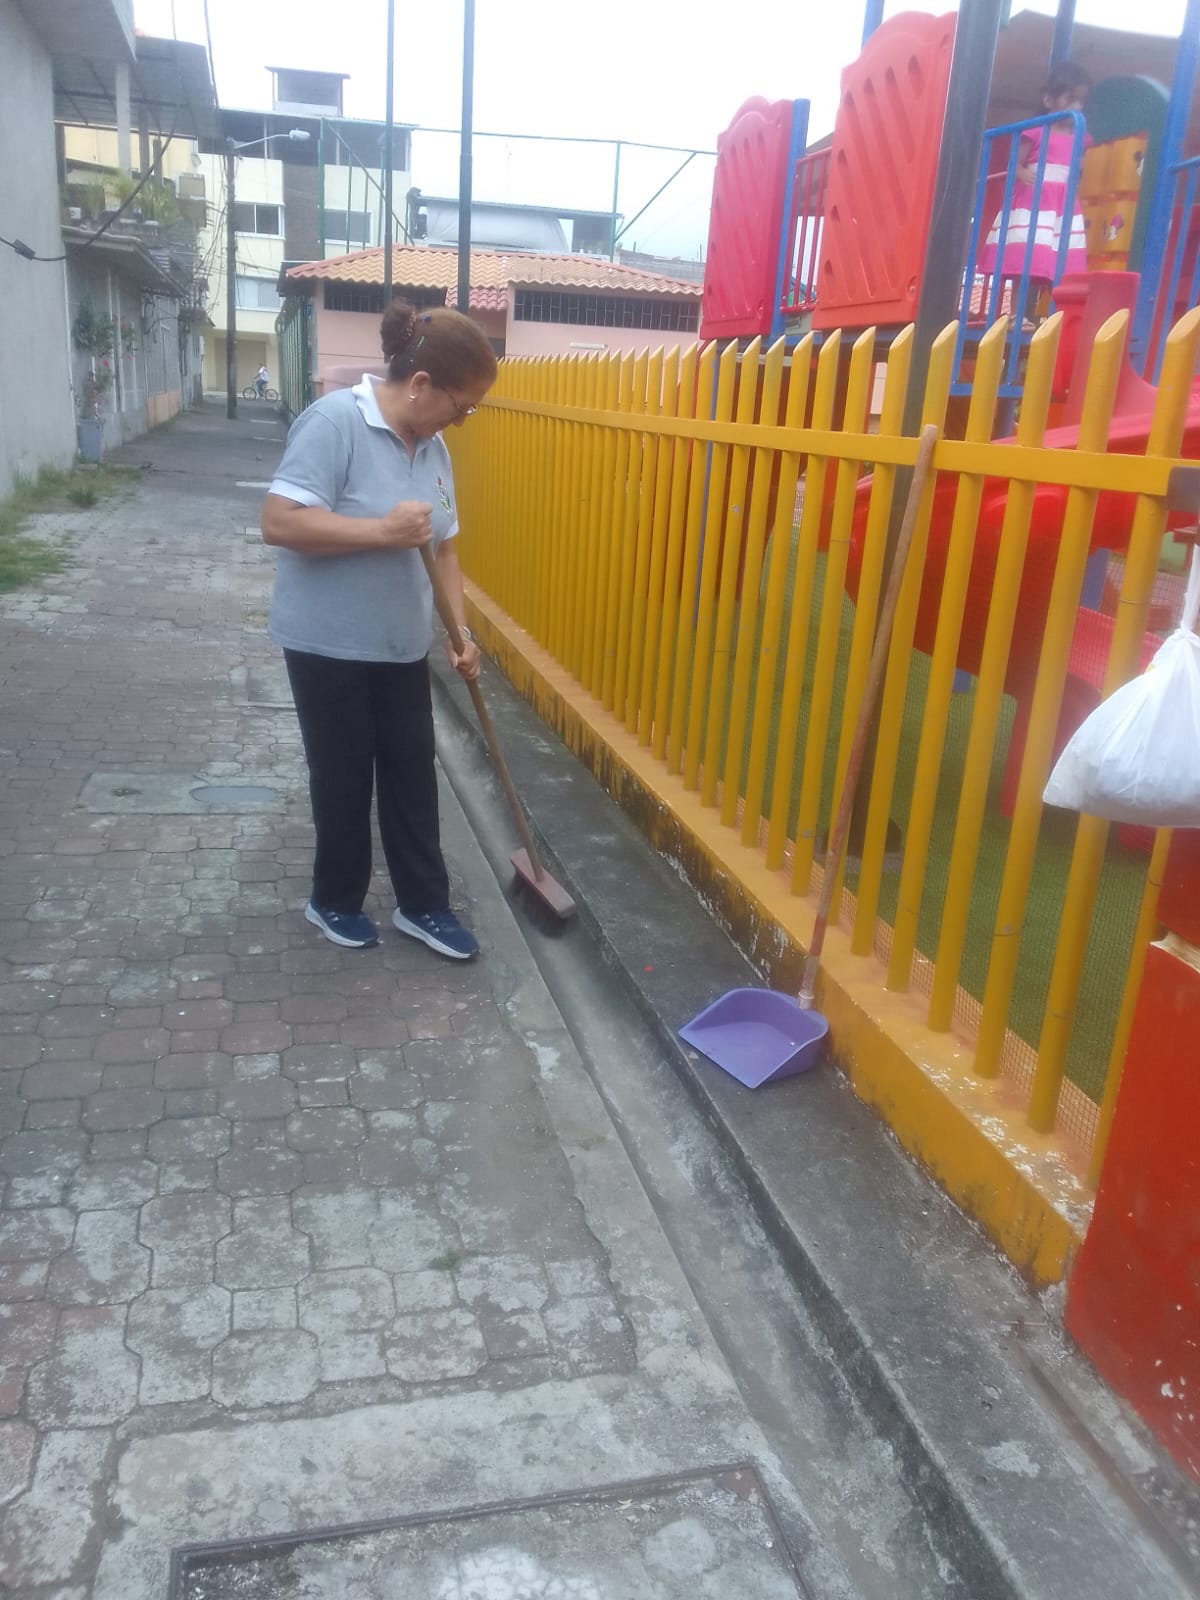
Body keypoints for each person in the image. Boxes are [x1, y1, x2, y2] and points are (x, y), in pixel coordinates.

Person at [260, 301, 498, 958]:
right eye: (462, 406)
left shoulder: (435, 449)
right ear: (421, 384)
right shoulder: (334, 422)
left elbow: (446, 548)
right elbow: (279, 521)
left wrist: (461, 634)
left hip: (400, 645)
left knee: (412, 774)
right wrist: (381, 531)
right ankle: (333, 899)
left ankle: (424, 906)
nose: (463, 420)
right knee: (343, 776)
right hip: (327, 642)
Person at [978, 62, 1091, 327]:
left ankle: (1055, 315)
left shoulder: (1080, 136)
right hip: (1035, 202)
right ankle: (1017, 314)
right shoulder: (1037, 130)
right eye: (1070, 99)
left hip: (1062, 206)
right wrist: (1021, 173)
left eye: (1081, 101)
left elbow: (1077, 167)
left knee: (1058, 260)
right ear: (1049, 100)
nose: (1076, 107)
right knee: (1026, 259)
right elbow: (1014, 163)